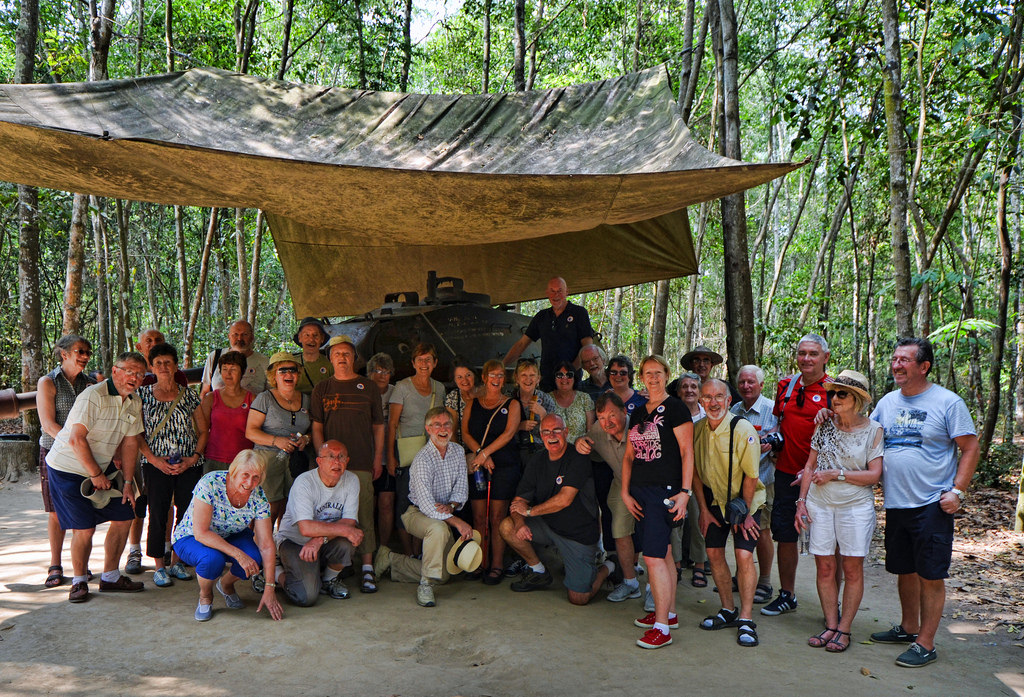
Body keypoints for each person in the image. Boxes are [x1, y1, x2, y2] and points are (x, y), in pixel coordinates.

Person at [868, 338, 979, 668]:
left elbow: (970, 447)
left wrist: (957, 491)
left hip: (933, 503)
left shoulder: (947, 402)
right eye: (894, 359)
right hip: (897, 503)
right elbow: (866, 435)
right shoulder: (887, 402)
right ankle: (908, 627)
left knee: (931, 574)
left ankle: (926, 643)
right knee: (905, 569)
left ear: (923, 366)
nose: (897, 365)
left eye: (904, 360)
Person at [44, 351, 148, 603]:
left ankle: (111, 576)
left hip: (102, 467)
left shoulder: (134, 401)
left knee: (125, 515)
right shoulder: (94, 395)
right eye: (129, 371)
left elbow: (131, 443)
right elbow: (75, 439)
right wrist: (96, 474)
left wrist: (126, 482)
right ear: (115, 371)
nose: (134, 377)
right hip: (67, 467)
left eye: (140, 374)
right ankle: (79, 581)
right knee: (84, 527)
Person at [794, 370, 882, 653]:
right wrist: (801, 502)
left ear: (856, 399)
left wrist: (837, 474)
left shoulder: (873, 430)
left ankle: (844, 629)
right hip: (820, 503)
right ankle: (831, 624)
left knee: (852, 568)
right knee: (825, 566)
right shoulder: (825, 425)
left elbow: (874, 475)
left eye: (841, 394)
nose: (834, 399)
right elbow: (810, 466)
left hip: (855, 507)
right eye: (832, 393)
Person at [621, 355, 694, 649]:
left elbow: (687, 452)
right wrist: (626, 493)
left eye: (658, 372)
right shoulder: (638, 412)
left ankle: (662, 627)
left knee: (651, 558)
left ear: (666, 374)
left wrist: (685, 493)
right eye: (647, 373)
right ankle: (669, 613)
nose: (653, 377)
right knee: (661, 554)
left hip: (663, 491)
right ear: (641, 377)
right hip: (640, 492)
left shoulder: (676, 408)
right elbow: (629, 456)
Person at [499, 414, 611, 603]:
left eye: (557, 430)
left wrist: (529, 512)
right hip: (547, 526)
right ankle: (538, 570)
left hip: (578, 535)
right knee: (507, 526)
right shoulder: (537, 460)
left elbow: (564, 500)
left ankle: (608, 566)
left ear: (566, 432)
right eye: (546, 431)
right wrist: (520, 523)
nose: (552, 435)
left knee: (579, 598)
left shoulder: (578, 457)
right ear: (541, 436)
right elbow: (519, 501)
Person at [375, 407, 474, 607]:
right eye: (437, 425)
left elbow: (462, 489)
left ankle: (391, 560)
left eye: (447, 424)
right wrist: (457, 522)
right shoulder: (422, 459)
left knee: (444, 574)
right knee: (437, 529)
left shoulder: (457, 451)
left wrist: (452, 506)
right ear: (428, 429)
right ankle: (425, 585)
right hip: (415, 513)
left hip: (444, 512)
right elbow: (428, 506)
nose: (443, 428)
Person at [692, 379, 765, 648]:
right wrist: (702, 508)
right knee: (713, 553)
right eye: (707, 397)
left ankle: (746, 619)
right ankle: (727, 609)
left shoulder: (742, 428)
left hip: (745, 502)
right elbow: (696, 473)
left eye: (719, 396)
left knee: (744, 555)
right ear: (700, 400)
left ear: (728, 399)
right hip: (713, 502)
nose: (713, 402)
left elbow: (751, 475)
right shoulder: (698, 430)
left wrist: (744, 514)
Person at [762, 333, 831, 617]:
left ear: (825, 357)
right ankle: (787, 594)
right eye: (802, 353)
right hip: (786, 472)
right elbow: (779, 421)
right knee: (785, 536)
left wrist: (816, 467)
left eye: (813, 353)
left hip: (821, 477)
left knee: (826, 541)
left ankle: (831, 603)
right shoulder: (785, 386)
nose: (806, 359)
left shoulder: (835, 390)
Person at [310, 335, 385, 593]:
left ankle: (367, 568)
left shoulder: (369, 387)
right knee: (331, 513)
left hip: (362, 461)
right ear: (330, 359)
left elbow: (378, 426)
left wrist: (377, 458)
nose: (342, 357)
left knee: (363, 514)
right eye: (337, 354)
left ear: (355, 358)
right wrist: (322, 458)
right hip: (329, 467)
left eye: (346, 354)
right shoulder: (322, 388)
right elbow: (316, 427)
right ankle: (339, 564)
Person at [171, 450, 283, 622]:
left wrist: (270, 587)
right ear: (233, 471)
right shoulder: (211, 483)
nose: (249, 483)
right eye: (245, 475)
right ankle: (206, 596)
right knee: (212, 560)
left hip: (231, 534)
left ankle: (226, 584)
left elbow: (267, 545)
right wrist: (238, 554)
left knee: (255, 557)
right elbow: (201, 533)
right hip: (192, 536)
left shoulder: (259, 496)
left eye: (256, 477)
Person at [137, 343, 207, 587]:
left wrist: (193, 458)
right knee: (157, 512)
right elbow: (136, 433)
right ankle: (158, 566)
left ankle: (178, 560)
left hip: (188, 463)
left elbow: (203, 430)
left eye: (168, 362)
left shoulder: (188, 395)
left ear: (176, 366)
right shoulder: (142, 395)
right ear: (151, 367)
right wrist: (155, 460)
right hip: (155, 464)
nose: (163, 367)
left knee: (187, 512)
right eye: (158, 363)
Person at [271, 440, 363, 605]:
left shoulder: (352, 480)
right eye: (330, 457)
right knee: (306, 597)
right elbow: (305, 528)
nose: (336, 462)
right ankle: (275, 572)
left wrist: (320, 539)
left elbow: (349, 522)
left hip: (322, 542)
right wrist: (343, 531)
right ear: (319, 461)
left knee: (347, 543)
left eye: (341, 457)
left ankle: (329, 580)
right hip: (295, 541)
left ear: (347, 461)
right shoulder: (304, 482)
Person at [36, 334, 95, 588]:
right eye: (80, 352)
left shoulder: (91, 384)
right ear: (65, 354)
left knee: (82, 512)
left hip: (83, 454)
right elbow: (47, 424)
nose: (84, 357)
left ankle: (81, 565)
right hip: (53, 453)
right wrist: (72, 444)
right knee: (56, 513)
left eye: (87, 353)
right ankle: (55, 565)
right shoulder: (48, 382)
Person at [462, 359, 522, 585]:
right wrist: (480, 454)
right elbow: (465, 432)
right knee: (478, 516)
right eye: (492, 375)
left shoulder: (512, 404)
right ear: (485, 378)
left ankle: (496, 564)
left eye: (500, 375)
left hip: (504, 466)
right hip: (480, 466)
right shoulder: (473, 404)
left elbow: (508, 434)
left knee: (497, 517)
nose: (496, 379)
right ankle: (478, 561)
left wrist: (484, 454)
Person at [575, 392, 640, 602]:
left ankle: (656, 592)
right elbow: (585, 440)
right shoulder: (599, 430)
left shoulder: (640, 427)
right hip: (621, 485)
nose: (607, 422)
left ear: (624, 411)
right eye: (601, 417)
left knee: (655, 537)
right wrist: (579, 442)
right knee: (619, 532)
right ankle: (631, 582)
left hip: (648, 486)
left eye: (611, 415)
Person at [387, 343, 446, 555]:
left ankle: (421, 549)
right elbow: (392, 424)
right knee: (405, 502)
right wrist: (390, 457)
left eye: (428, 359)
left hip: (432, 454)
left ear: (435, 363)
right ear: (412, 363)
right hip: (407, 454)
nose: (424, 364)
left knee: (427, 502)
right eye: (420, 360)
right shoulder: (402, 387)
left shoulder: (439, 388)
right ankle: (408, 552)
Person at [245, 352, 312, 525]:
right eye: (282, 371)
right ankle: (255, 547)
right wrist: (277, 441)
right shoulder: (264, 398)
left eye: (293, 370)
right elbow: (250, 432)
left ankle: (280, 546)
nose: (288, 374)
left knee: (290, 506)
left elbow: (312, 430)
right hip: (267, 458)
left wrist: (306, 438)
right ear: (274, 375)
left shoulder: (306, 400)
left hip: (295, 461)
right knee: (267, 508)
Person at [730, 364, 779, 604]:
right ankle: (742, 574)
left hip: (764, 479)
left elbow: (783, 445)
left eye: (751, 382)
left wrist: (773, 446)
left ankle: (765, 581)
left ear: (761, 385)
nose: (746, 386)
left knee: (761, 531)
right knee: (737, 526)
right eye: (742, 382)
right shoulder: (734, 409)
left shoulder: (773, 410)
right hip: (737, 482)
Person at [502, 277, 594, 391]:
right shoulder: (542, 316)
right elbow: (521, 344)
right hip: (547, 380)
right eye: (552, 291)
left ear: (567, 292)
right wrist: (502, 365)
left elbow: (588, 347)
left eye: (560, 291)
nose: (556, 295)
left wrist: (570, 372)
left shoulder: (579, 313)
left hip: (570, 381)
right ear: (547, 293)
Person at [199, 351, 255, 473]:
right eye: (224, 369)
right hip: (213, 459)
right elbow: (201, 430)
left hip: (243, 461)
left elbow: (257, 431)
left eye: (233, 369)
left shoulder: (252, 399)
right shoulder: (211, 398)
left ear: (243, 371)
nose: (228, 373)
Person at [676, 370, 707, 587]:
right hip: (675, 475)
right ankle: (675, 564)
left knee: (698, 519)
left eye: (693, 387)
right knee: (674, 521)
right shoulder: (671, 413)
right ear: (678, 392)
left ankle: (700, 565)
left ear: (700, 391)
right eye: (685, 386)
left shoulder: (708, 416)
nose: (689, 390)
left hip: (702, 477)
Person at [368, 352, 398, 550]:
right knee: (367, 505)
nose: (381, 375)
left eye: (386, 372)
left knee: (386, 504)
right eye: (377, 371)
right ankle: (366, 549)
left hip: (390, 456)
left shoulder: (396, 392)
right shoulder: (361, 389)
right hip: (365, 455)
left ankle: (384, 548)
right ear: (370, 372)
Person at [200, 319, 269, 397]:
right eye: (235, 334)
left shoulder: (264, 361)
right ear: (229, 336)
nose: (239, 338)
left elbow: (271, 395)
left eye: (245, 334)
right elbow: (205, 391)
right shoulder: (215, 356)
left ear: (252, 337)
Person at [511, 358, 556, 470]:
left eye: (532, 375)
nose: (528, 379)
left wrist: (543, 414)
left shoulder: (545, 399)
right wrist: (519, 427)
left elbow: (555, 430)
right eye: (524, 375)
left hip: (540, 451)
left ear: (538, 379)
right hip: (514, 451)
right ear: (517, 378)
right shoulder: (509, 399)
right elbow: (500, 429)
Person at [548, 359, 595, 443]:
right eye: (560, 375)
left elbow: (590, 431)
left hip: (581, 449)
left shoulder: (584, 398)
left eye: (569, 375)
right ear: (554, 379)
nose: (564, 378)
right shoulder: (547, 399)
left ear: (574, 378)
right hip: (555, 448)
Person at [292, 317, 332, 395]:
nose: (311, 340)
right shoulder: (291, 364)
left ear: (322, 338)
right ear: (300, 338)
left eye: (315, 335)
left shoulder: (330, 364)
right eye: (307, 335)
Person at [444, 358, 477, 446]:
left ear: (474, 375)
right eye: (459, 377)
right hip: (463, 449)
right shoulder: (452, 398)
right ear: (454, 379)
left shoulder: (484, 393)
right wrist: (460, 456)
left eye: (468, 375)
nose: (465, 380)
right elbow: (452, 433)